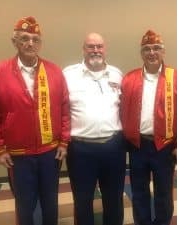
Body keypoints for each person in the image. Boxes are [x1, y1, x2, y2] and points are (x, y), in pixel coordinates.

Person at [0, 16, 70, 225]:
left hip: (50, 152)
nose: (31, 43)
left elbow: (65, 108)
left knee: (50, 201)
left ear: (40, 43)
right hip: (18, 155)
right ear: (15, 42)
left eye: (35, 39)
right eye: (25, 38)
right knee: (24, 203)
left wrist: (64, 142)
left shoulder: (54, 71)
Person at [120, 30, 177, 225]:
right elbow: (121, 110)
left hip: (165, 146)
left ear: (163, 52)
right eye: (146, 49)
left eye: (156, 48)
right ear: (141, 53)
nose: (151, 52)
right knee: (138, 191)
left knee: (163, 191)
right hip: (138, 146)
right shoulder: (130, 79)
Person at [63, 32, 126, 225]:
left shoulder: (117, 74)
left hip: (113, 146)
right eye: (91, 46)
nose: (95, 50)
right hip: (80, 149)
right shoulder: (68, 74)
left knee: (114, 198)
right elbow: (60, 109)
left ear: (105, 49)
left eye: (99, 46)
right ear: (83, 49)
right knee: (82, 199)